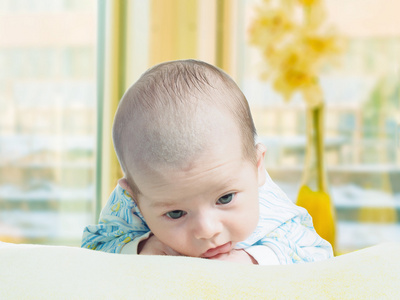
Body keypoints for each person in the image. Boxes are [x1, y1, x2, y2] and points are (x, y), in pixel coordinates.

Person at [81, 59, 333, 265]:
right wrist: (139, 250)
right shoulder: (129, 205)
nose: (207, 229)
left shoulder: (270, 206)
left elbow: (318, 254)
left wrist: (255, 260)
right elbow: (90, 254)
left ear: (257, 167)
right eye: (176, 213)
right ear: (135, 199)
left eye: (225, 198)